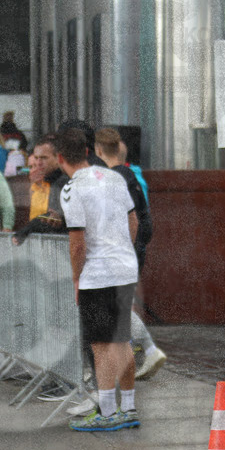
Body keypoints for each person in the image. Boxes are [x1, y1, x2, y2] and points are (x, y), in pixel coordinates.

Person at [56, 128, 140, 431]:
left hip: (97, 272)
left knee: (101, 344)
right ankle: (128, 406)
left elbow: (77, 242)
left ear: (60, 157)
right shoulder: (116, 178)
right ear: (89, 151)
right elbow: (134, 221)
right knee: (121, 338)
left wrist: (77, 278)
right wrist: (124, 251)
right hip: (124, 267)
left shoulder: (71, 188)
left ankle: (106, 411)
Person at [94, 127, 166, 381]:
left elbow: (127, 219)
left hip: (123, 251)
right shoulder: (131, 175)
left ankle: (147, 350)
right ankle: (142, 351)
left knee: (117, 306)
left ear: (99, 150)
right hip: (133, 249)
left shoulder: (114, 179)